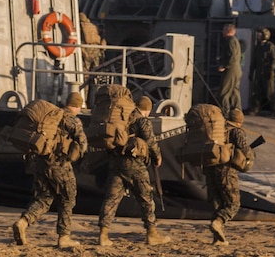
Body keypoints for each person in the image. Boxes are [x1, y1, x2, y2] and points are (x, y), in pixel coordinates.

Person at [12, 92, 89, 248]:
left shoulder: (52, 116)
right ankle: (64, 237)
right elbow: (83, 144)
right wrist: (77, 157)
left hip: (41, 163)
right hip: (60, 165)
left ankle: (23, 221)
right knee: (68, 198)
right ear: (77, 106)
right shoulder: (72, 120)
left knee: (44, 197)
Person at [98, 93, 169, 246]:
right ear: (148, 110)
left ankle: (103, 234)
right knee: (146, 199)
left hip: (116, 163)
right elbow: (150, 141)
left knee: (111, 199)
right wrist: (157, 157)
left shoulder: (121, 119)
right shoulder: (142, 121)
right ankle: (152, 233)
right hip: (135, 166)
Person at [204, 108, 254, 245]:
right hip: (226, 171)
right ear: (240, 122)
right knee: (233, 203)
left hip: (210, 170)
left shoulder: (217, 129)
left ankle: (218, 238)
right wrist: (250, 156)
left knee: (218, 203)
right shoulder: (236, 131)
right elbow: (245, 150)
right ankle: (219, 222)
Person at [248, 28, 275, 116]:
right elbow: (254, 61)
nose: (258, 36)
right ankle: (255, 109)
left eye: (260, 34)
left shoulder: (270, 46)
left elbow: (274, 60)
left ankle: (274, 110)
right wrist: (251, 72)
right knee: (257, 92)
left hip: (267, 73)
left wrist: (271, 70)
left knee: (269, 93)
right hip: (258, 73)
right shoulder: (258, 46)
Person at [217, 23, 242, 116]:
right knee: (234, 92)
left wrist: (225, 65)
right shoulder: (235, 41)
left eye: (224, 30)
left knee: (224, 92)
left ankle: (225, 113)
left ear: (228, 31)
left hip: (231, 69)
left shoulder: (230, 41)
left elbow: (232, 56)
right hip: (236, 69)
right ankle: (237, 112)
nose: (222, 32)